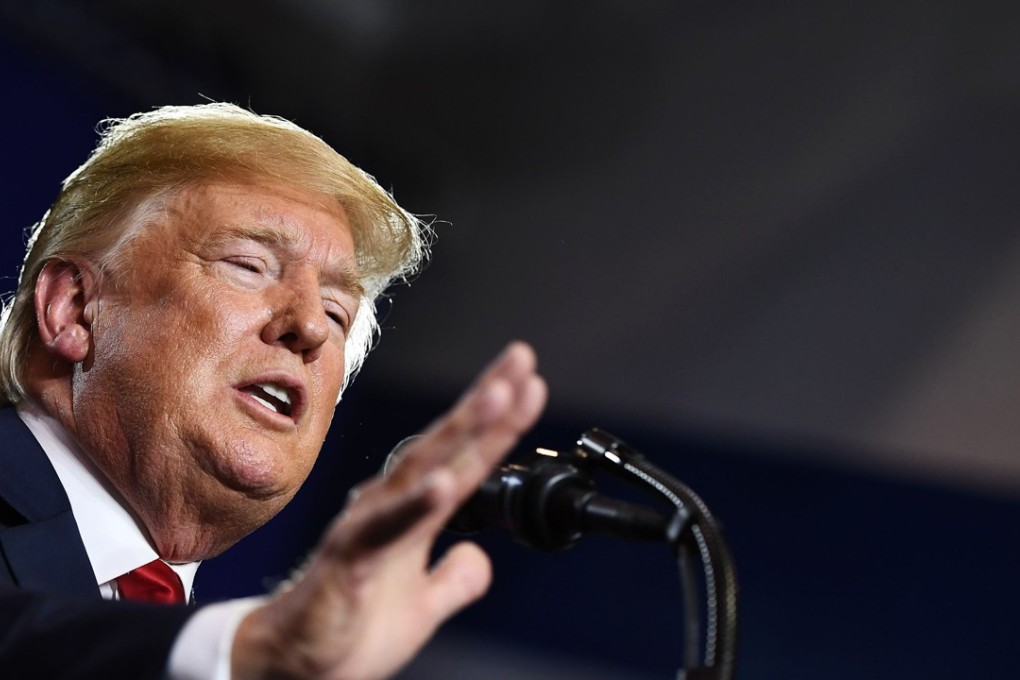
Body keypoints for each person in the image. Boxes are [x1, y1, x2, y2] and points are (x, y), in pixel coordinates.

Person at [0, 103, 547, 679]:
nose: (310, 326)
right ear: (74, 309)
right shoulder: (217, 653)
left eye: (338, 313)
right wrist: (242, 652)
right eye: (248, 265)